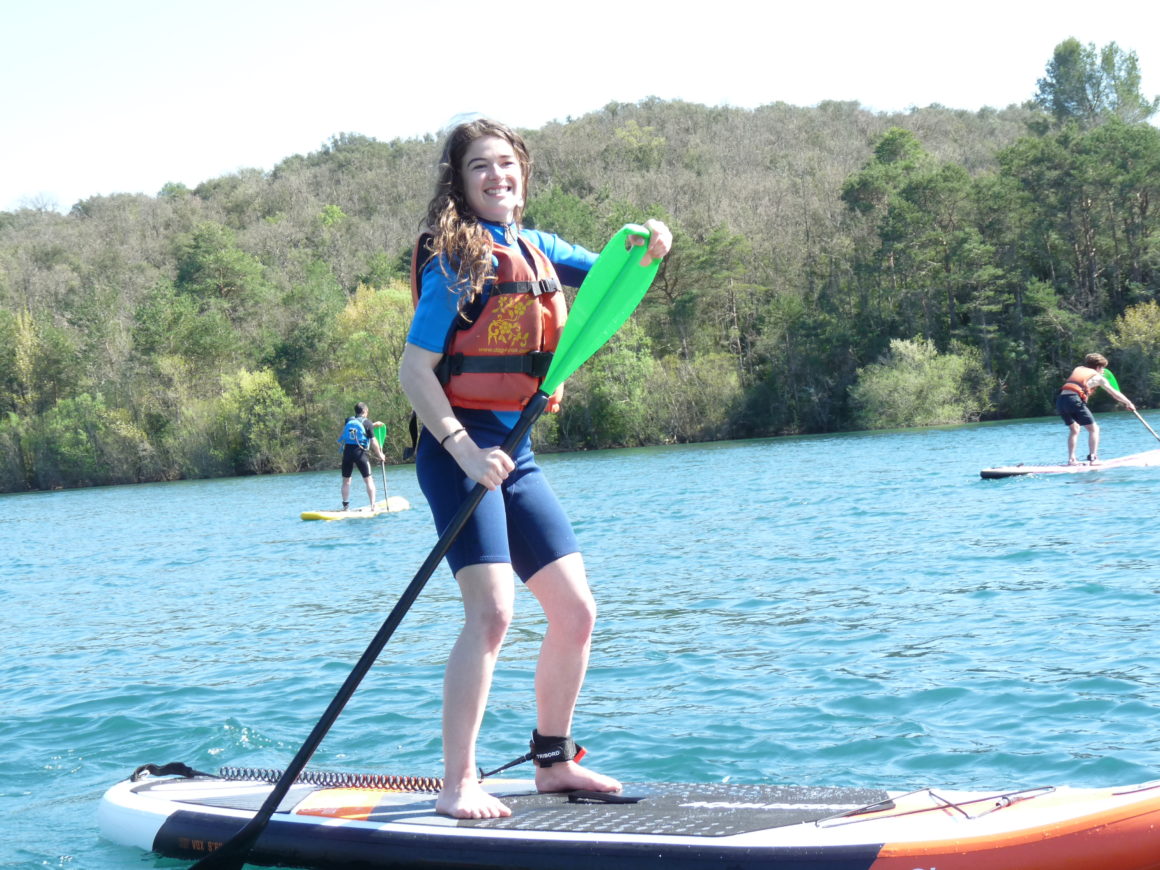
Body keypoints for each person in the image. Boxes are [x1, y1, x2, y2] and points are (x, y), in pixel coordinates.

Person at [398, 117, 671, 820]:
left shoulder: (539, 249)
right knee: (491, 615)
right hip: (459, 450)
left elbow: (618, 273)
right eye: (480, 168)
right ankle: (459, 782)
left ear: (523, 173)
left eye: (506, 165)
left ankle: (553, 762)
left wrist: (652, 245)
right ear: (460, 183)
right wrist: (461, 445)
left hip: (514, 451)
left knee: (577, 612)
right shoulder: (457, 262)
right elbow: (414, 371)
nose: (497, 177)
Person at [1056, 353, 1136, 464]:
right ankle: (1093, 458)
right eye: (1103, 368)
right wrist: (1129, 403)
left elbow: (1080, 386)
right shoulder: (1099, 378)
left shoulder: (1078, 369)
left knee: (1074, 429)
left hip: (1061, 400)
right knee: (1094, 429)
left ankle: (1071, 459)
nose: (1103, 371)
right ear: (1098, 367)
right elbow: (1114, 393)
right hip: (1073, 400)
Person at [338, 402, 386, 509]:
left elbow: (342, 435)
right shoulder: (367, 423)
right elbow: (373, 441)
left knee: (346, 480)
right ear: (364, 411)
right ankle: (373, 506)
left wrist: (372, 425)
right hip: (360, 454)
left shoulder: (348, 421)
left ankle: (345, 506)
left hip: (347, 453)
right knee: (368, 480)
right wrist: (380, 455)